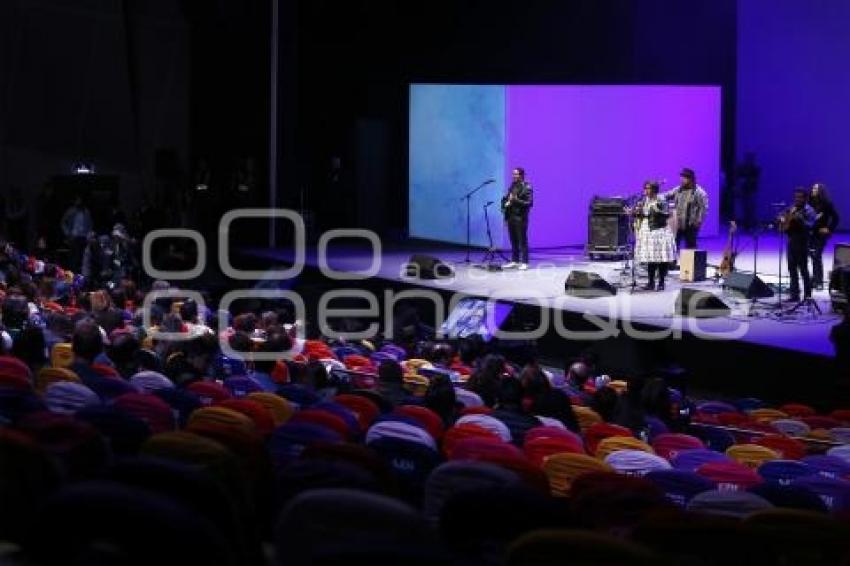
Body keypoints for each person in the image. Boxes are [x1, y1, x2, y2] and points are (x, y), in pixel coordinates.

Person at [633, 181, 677, 291]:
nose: (646, 191)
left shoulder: (661, 200)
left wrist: (659, 211)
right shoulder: (645, 200)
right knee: (650, 258)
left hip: (659, 231)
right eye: (645, 188)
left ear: (654, 189)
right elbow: (643, 214)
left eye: (648, 188)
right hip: (647, 230)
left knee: (662, 258)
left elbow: (668, 214)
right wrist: (634, 213)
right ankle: (651, 282)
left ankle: (661, 282)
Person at [778, 188, 817, 302]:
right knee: (792, 270)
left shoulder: (809, 210)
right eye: (796, 197)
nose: (797, 199)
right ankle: (794, 295)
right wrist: (782, 219)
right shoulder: (792, 208)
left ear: (805, 198)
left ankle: (807, 296)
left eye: (800, 197)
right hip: (791, 242)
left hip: (802, 243)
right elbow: (784, 220)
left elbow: (811, 226)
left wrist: (800, 219)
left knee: (804, 270)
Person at [663, 168, 709, 250]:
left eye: (684, 178)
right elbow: (667, 195)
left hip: (691, 224)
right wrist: (656, 196)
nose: (681, 180)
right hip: (678, 223)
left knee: (690, 246)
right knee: (673, 244)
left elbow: (704, 208)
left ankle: (690, 262)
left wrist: (698, 221)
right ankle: (673, 262)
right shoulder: (679, 189)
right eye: (681, 178)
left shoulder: (699, 192)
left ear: (690, 179)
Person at [809, 183, 840, 290]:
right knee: (813, 256)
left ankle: (819, 281)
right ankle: (814, 279)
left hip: (821, 234)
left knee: (817, 256)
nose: (812, 190)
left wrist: (829, 229)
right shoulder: (809, 203)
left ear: (820, 191)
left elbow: (836, 218)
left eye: (815, 188)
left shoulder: (827, 203)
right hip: (810, 234)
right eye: (812, 188)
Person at [501, 167, 533, 270]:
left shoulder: (527, 187)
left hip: (520, 217)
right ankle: (515, 261)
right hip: (511, 216)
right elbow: (507, 198)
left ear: (521, 175)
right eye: (513, 174)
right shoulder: (512, 186)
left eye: (516, 174)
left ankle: (525, 262)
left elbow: (529, 203)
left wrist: (516, 200)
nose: (514, 176)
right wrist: (504, 203)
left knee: (522, 240)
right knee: (513, 240)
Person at [61, 195, 93, 272]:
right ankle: (72, 273)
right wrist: (67, 233)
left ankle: (80, 274)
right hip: (73, 236)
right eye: (77, 201)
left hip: (83, 236)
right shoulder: (71, 211)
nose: (79, 202)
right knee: (73, 256)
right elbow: (63, 222)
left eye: (80, 201)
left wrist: (89, 234)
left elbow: (90, 224)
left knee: (82, 257)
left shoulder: (86, 212)